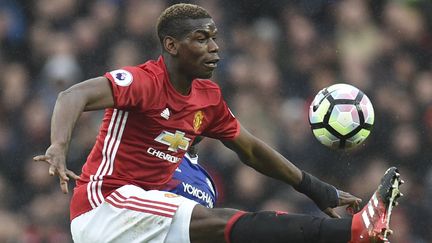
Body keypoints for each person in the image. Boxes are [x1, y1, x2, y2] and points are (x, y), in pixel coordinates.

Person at [34, 3, 402, 243]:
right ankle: (352, 233)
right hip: (105, 207)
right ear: (172, 46)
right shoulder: (144, 82)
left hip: (143, 212)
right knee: (214, 222)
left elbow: (252, 149)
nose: (214, 47)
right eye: (201, 38)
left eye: (214, 37)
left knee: (214, 225)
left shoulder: (207, 99)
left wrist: (315, 187)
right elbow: (73, 96)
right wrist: (58, 146)